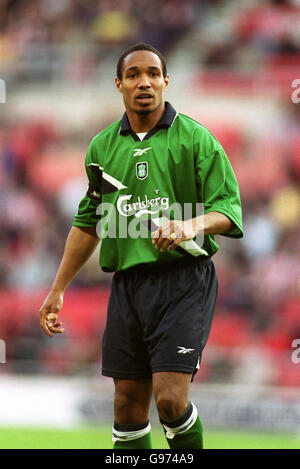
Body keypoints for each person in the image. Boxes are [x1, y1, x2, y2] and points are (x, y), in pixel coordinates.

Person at [39, 42, 243, 449]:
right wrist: (57, 288)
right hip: (128, 286)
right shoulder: (101, 148)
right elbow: (87, 223)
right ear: (119, 84)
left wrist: (190, 225)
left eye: (153, 73)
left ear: (166, 81)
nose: (144, 81)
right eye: (133, 75)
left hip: (183, 282)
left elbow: (230, 211)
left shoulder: (196, 138)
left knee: (169, 399)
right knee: (127, 408)